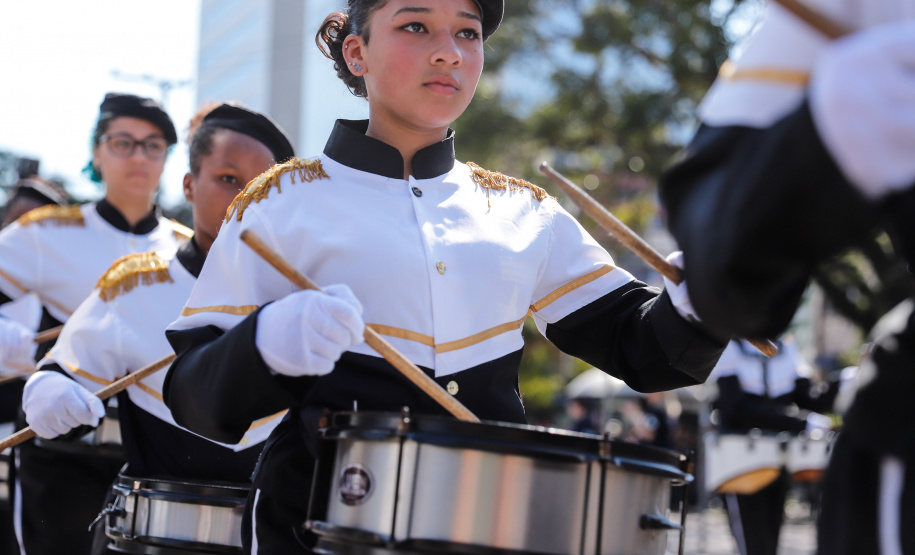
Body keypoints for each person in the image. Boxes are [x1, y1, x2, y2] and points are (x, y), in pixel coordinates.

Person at [163, 1, 727, 552]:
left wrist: (700, 301)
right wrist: (265, 343)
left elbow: (644, 350)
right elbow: (194, 397)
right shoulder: (278, 201)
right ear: (356, 53)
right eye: (416, 25)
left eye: (468, 33)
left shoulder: (526, 211)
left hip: (491, 525)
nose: (449, 53)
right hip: (313, 525)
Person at [657, 1, 915, 553]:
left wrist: (823, 400)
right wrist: (821, 133)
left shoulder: (788, 354)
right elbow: (725, 275)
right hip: (761, 451)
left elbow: (797, 388)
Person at [18, 102, 295, 554]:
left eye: (263, 186)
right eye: (228, 179)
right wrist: (50, 390)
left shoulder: (304, 302)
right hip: (147, 536)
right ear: (189, 185)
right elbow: (62, 372)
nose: (245, 200)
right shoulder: (135, 286)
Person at [0, 92, 187, 555]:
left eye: (153, 145)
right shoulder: (45, 232)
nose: (138, 157)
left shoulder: (189, 250)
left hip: (154, 452)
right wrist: (14, 348)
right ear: (96, 152)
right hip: (60, 448)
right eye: (123, 142)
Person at [709, 337, 835, 555]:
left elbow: (811, 400)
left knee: (771, 537)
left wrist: (845, 381)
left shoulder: (786, 347)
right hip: (740, 461)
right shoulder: (731, 346)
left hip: (778, 459)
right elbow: (737, 409)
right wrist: (800, 422)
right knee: (752, 541)